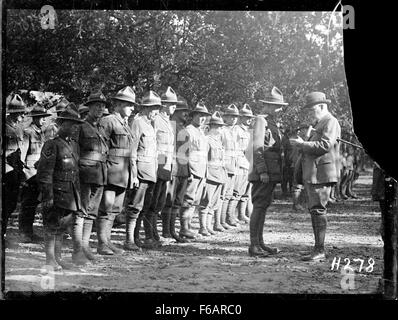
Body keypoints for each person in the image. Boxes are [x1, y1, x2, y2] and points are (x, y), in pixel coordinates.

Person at [290, 91, 341, 262]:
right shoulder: (320, 122)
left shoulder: (330, 121)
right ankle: (317, 249)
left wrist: (303, 144)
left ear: (322, 106)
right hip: (314, 173)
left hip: (321, 174)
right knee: (315, 210)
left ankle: (320, 250)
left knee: (318, 210)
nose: (310, 113)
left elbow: (325, 145)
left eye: (312, 110)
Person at [36, 106, 85, 269]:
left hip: (70, 194)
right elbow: (44, 173)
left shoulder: (73, 146)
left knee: (62, 227)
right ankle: (50, 260)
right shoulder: (52, 145)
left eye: (76, 125)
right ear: (61, 124)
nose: (74, 128)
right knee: (51, 226)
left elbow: (75, 172)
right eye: (70, 124)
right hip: (55, 194)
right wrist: (48, 196)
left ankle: (58, 258)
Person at [248, 86, 287, 257]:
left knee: (263, 206)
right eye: (278, 107)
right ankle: (254, 245)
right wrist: (262, 171)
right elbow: (257, 148)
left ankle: (260, 242)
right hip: (263, 173)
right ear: (269, 106)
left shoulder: (271, 122)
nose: (280, 110)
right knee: (258, 207)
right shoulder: (260, 120)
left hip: (271, 172)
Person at [97, 86, 136, 255]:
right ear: (119, 105)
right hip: (111, 171)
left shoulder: (126, 125)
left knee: (115, 209)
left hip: (123, 172)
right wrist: (102, 171)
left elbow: (130, 153)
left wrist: (132, 174)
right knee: (106, 208)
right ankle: (101, 243)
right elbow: (100, 147)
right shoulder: (108, 121)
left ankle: (108, 241)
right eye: (129, 105)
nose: (132, 108)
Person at [74, 92, 108, 262]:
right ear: (89, 107)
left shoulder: (100, 127)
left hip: (100, 175)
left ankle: (86, 246)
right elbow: (74, 152)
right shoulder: (81, 127)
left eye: (102, 106)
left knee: (92, 213)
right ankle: (78, 250)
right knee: (82, 211)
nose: (100, 109)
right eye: (96, 106)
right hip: (85, 175)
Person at [126, 90, 161, 250]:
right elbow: (132, 151)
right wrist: (133, 174)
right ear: (146, 108)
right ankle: (129, 240)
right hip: (140, 171)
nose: (157, 111)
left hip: (150, 172)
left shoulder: (150, 125)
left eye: (158, 108)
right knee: (135, 206)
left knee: (144, 207)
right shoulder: (138, 122)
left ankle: (136, 238)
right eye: (154, 108)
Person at [149, 87, 180, 240]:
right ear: (164, 105)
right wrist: (158, 166)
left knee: (160, 202)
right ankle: (151, 233)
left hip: (166, 166)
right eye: (172, 104)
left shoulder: (169, 122)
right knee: (153, 202)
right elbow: (153, 144)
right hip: (158, 166)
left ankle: (155, 233)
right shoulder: (156, 120)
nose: (174, 107)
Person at [19, 105, 52, 243]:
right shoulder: (27, 132)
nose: (44, 120)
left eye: (45, 118)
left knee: (36, 204)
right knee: (28, 204)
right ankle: (24, 233)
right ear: (35, 117)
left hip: (40, 173)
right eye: (41, 117)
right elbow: (22, 155)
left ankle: (30, 232)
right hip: (29, 173)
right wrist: (23, 175)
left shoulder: (43, 133)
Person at [178, 103, 210, 240]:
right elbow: (183, 153)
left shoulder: (202, 132)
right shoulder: (188, 130)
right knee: (187, 200)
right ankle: (184, 228)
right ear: (193, 116)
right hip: (192, 169)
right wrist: (188, 171)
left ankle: (188, 226)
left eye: (204, 116)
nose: (202, 119)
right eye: (199, 115)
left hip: (202, 170)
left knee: (195, 200)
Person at [161, 97, 190, 243]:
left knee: (177, 201)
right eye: (182, 110)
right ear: (175, 112)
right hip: (173, 168)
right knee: (169, 200)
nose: (185, 113)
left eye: (186, 111)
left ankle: (172, 230)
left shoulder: (182, 127)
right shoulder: (171, 125)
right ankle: (166, 231)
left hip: (183, 169)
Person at [3, 94, 27, 244]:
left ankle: (3, 231)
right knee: (4, 203)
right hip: (5, 170)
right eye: (20, 113)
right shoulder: (4, 126)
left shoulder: (19, 128)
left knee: (11, 203)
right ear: (12, 113)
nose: (23, 116)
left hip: (16, 170)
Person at [199, 112, 228, 235]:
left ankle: (209, 226)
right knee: (205, 202)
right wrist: (204, 178)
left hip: (219, 175)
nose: (221, 129)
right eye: (219, 127)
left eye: (221, 127)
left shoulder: (219, 141)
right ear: (212, 127)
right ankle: (203, 227)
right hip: (210, 175)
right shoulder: (207, 140)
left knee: (214, 203)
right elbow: (204, 160)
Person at [234, 104, 255, 224]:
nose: (249, 119)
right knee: (237, 191)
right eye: (246, 117)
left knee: (247, 192)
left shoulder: (249, 131)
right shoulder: (236, 130)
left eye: (250, 117)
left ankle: (242, 214)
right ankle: (231, 216)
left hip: (248, 163)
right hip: (239, 163)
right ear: (240, 118)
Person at [220, 104, 240, 229]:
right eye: (230, 116)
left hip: (234, 165)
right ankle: (220, 221)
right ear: (225, 117)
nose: (233, 119)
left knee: (229, 194)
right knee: (222, 195)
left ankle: (227, 218)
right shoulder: (221, 130)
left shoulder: (236, 131)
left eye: (235, 117)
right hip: (224, 165)